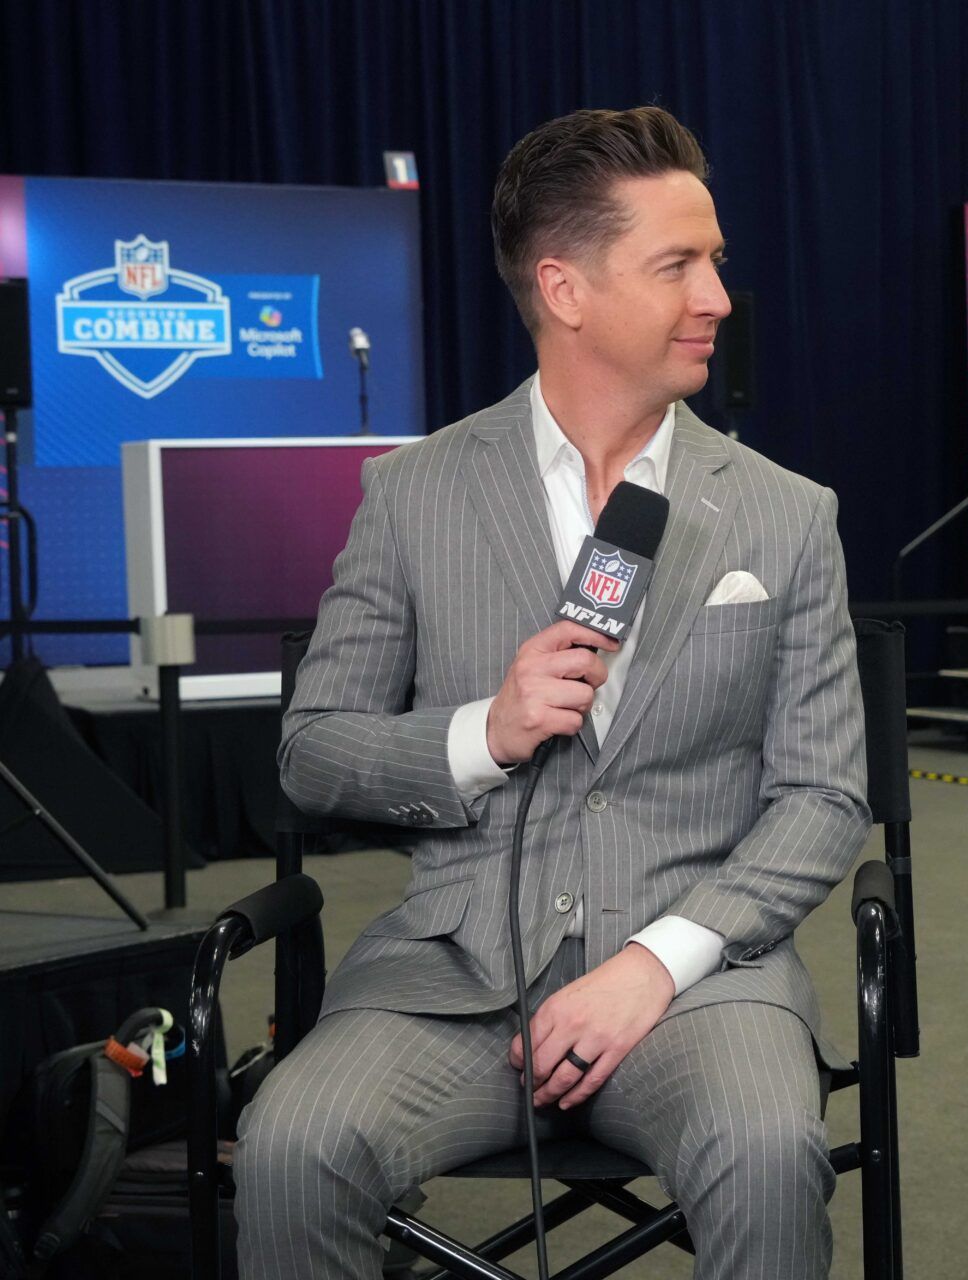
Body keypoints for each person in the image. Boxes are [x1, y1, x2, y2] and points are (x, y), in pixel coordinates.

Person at [235, 106, 868, 1280]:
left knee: (773, 1147)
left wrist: (653, 963)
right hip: (454, 980)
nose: (719, 295)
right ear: (564, 288)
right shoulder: (411, 494)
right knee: (290, 1141)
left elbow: (823, 797)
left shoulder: (787, 513)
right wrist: (486, 731)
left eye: (716, 260)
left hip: (699, 978)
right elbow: (313, 753)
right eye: (679, 264)